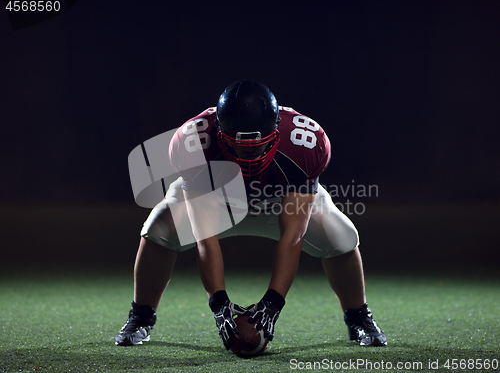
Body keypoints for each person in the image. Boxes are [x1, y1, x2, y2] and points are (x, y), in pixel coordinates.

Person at [115, 80, 387, 349]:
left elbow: (293, 236)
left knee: (340, 236)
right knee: (158, 229)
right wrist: (219, 303)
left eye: (257, 145)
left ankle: (359, 317)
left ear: (276, 130)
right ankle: (140, 317)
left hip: (280, 202)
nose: (248, 154)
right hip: (219, 202)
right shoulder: (194, 143)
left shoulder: (303, 144)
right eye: (238, 145)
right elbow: (204, 236)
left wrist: (273, 302)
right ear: (220, 132)